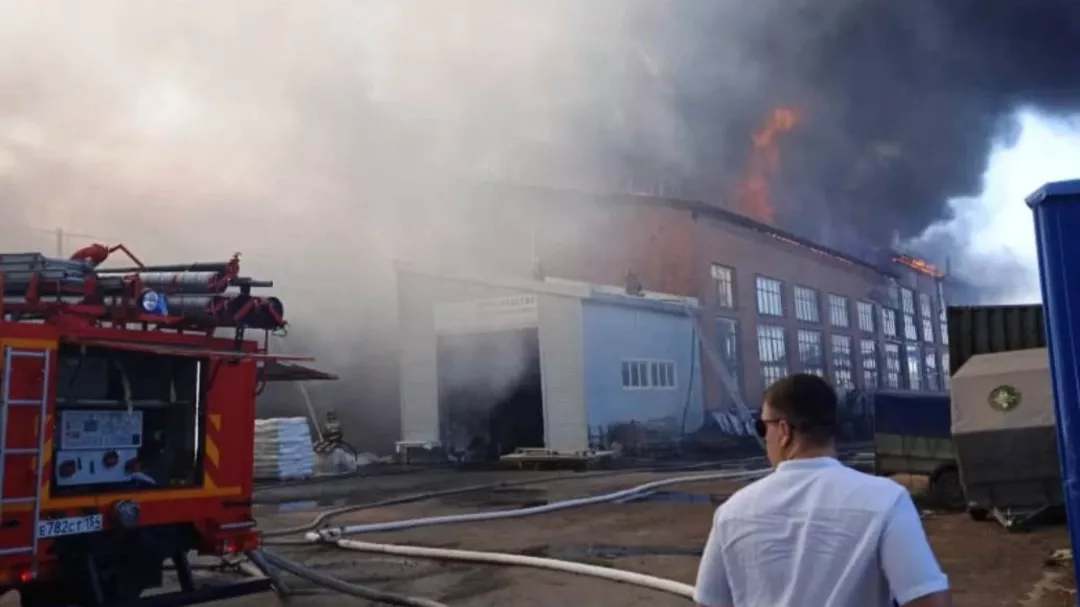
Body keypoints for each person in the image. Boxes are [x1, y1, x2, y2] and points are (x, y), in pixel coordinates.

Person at [694, 374, 951, 607]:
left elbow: (709, 603)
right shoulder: (885, 500)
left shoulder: (733, 512)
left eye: (763, 427)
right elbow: (928, 600)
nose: (765, 438)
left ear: (784, 431)